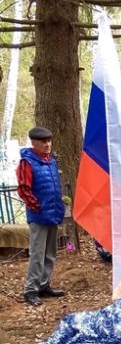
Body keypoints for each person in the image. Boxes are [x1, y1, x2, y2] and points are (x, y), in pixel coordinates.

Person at [17, 126, 66, 306]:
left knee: (50, 253)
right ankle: (31, 290)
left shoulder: (51, 161)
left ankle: (44, 285)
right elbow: (23, 188)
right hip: (39, 215)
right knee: (37, 253)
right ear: (34, 143)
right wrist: (36, 206)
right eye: (43, 141)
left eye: (49, 141)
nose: (47, 144)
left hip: (52, 213)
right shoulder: (27, 162)